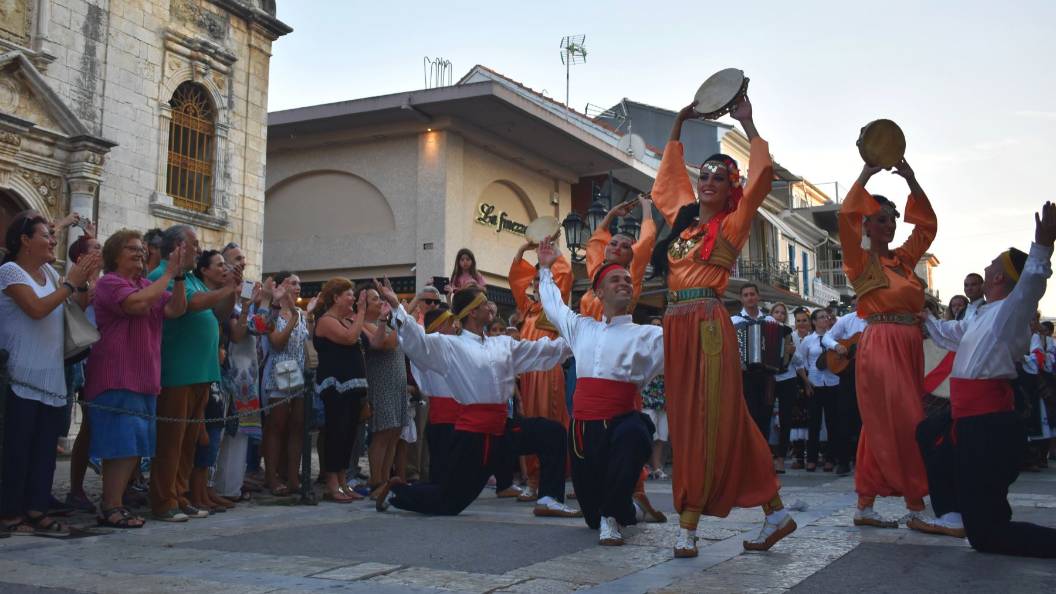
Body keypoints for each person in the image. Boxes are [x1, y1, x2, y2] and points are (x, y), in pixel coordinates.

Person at [649, 95, 795, 557]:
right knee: (695, 417)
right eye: (704, 175)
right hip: (676, 325)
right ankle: (775, 512)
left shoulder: (733, 224)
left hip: (708, 325)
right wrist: (678, 122)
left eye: (720, 177)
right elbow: (666, 187)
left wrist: (749, 125)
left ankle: (689, 522)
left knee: (709, 417)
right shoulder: (685, 227)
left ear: (731, 187)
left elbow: (762, 178)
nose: (709, 181)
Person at [920, 201, 1056, 557]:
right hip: (970, 419)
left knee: (988, 536)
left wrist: (1042, 246)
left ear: (999, 278)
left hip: (988, 424)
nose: (990, 263)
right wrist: (920, 311)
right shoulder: (982, 314)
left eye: (995, 262)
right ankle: (952, 513)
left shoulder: (1011, 310)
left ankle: (974, 517)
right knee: (927, 433)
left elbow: (1032, 281)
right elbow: (949, 332)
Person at [374, 283, 580, 519]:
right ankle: (397, 493)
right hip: (474, 436)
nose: (489, 306)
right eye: (483, 303)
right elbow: (419, 343)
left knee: (551, 433)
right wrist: (397, 307)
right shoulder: (450, 345)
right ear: (472, 312)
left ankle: (549, 499)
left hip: (503, 429)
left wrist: (578, 340)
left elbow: (539, 351)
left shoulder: (501, 343)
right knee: (449, 502)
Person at [536, 239, 662, 545]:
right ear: (599, 292)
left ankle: (613, 517)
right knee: (590, 518)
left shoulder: (649, 335)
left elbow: (686, 354)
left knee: (636, 432)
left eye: (628, 281)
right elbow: (552, 304)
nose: (624, 284)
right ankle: (628, 510)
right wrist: (545, 267)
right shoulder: (582, 328)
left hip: (621, 421)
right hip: (582, 431)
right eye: (615, 280)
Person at [837, 159, 936, 530]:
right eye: (880, 218)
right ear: (865, 224)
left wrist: (911, 177)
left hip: (909, 346)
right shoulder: (859, 261)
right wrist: (866, 171)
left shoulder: (904, 261)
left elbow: (926, 226)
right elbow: (846, 214)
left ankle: (865, 505)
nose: (889, 224)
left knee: (880, 424)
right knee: (910, 418)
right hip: (881, 344)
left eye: (892, 218)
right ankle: (916, 505)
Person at [1, 211, 99, 536]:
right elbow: (36, 309)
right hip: (20, 375)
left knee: (44, 449)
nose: (53, 240)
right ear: (25, 240)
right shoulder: (10, 271)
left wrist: (82, 281)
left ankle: (36, 508)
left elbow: (76, 306)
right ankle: (10, 512)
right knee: (17, 448)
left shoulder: (47, 271)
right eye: (46, 235)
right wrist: (71, 282)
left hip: (50, 375)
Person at [83, 230, 188, 527]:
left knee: (133, 446)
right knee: (120, 443)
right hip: (116, 375)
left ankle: (115, 502)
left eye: (142, 249)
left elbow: (175, 309)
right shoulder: (109, 283)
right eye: (132, 249)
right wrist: (167, 273)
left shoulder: (146, 285)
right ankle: (110, 504)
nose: (140, 254)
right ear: (115, 254)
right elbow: (135, 305)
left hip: (143, 376)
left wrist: (178, 278)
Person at [147, 225, 236, 521]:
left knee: (188, 441)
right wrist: (225, 289)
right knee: (171, 441)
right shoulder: (162, 275)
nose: (199, 249)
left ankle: (181, 494)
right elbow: (190, 306)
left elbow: (220, 313)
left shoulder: (193, 279)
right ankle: (164, 499)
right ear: (176, 247)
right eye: (194, 244)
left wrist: (231, 291)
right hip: (177, 370)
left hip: (200, 371)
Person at [509, 240, 573, 501]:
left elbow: (566, 274)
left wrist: (552, 253)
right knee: (531, 422)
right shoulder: (527, 308)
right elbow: (516, 279)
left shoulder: (553, 306)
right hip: (529, 374)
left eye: (540, 279)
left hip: (548, 373)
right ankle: (533, 481)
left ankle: (554, 478)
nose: (535, 283)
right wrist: (523, 248)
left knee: (551, 420)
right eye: (534, 279)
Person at [311, 277, 369, 502]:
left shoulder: (346, 320)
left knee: (349, 436)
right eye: (348, 294)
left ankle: (343, 481)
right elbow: (349, 337)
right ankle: (331, 483)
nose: (353, 298)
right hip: (335, 386)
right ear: (335, 297)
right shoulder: (326, 321)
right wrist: (362, 311)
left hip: (352, 385)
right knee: (336, 432)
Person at [260, 271, 308, 496]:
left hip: (298, 374)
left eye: (299, 283)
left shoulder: (301, 313)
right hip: (277, 372)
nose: (298, 287)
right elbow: (277, 342)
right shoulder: (273, 312)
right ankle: (271, 475)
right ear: (281, 286)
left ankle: (292, 474)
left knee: (297, 426)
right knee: (276, 426)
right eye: (293, 283)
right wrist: (294, 322)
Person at [358, 282, 408, 497]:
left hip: (397, 381)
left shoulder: (386, 323)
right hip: (380, 381)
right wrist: (397, 319)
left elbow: (397, 338)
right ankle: (376, 480)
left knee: (395, 431)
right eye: (375, 299)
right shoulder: (362, 323)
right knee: (382, 431)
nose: (380, 301)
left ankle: (386, 478)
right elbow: (384, 344)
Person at [578, 194, 657, 321]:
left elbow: (646, 241)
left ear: (633, 255)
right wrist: (612, 214)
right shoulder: (598, 274)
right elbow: (595, 242)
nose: (617, 248)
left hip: (614, 337)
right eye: (613, 244)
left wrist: (646, 206)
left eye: (625, 246)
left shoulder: (630, 278)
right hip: (588, 337)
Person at [409, 304, 462, 485]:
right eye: (450, 323)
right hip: (441, 415)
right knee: (439, 456)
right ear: (439, 327)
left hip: (454, 413)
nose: (454, 327)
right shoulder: (431, 346)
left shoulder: (452, 346)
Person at [796, 310, 843, 473]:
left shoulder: (835, 338)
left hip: (833, 383)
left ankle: (830, 458)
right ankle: (812, 459)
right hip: (815, 384)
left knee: (833, 423)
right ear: (814, 322)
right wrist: (807, 382)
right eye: (821, 317)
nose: (825, 319)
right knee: (814, 423)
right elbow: (801, 362)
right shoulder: (808, 340)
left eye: (827, 317)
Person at [731, 283, 777, 439]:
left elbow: (778, 344)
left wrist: (785, 350)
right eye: (746, 295)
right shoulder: (734, 321)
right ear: (741, 299)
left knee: (766, 414)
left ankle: (764, 454)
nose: (749, 297)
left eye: (752, 294)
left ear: (758, 296)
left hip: (767, 374)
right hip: (745, 374)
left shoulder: (770, 319)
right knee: (749, 414)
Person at [770, 303, 803, 474]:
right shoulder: (764, 328)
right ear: (771, 314)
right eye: (776, 312)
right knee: (765, 416)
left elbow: (799, 362)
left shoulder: (790, 333)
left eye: (782, 313)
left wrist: (792, 352)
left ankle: (781, 458)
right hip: (770, 379)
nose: (780, 315)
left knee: (785, 419)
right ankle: (768, 455)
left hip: (788, 378)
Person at [642, 317, 669, 480]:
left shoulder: (669, 345)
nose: (657, 328)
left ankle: (657, 467)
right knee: (648, 433)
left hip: (664, 395)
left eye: (659, 325)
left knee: (662, 435)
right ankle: (644, 466)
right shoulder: (643, 346)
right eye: (654, 325)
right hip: (647, 395)